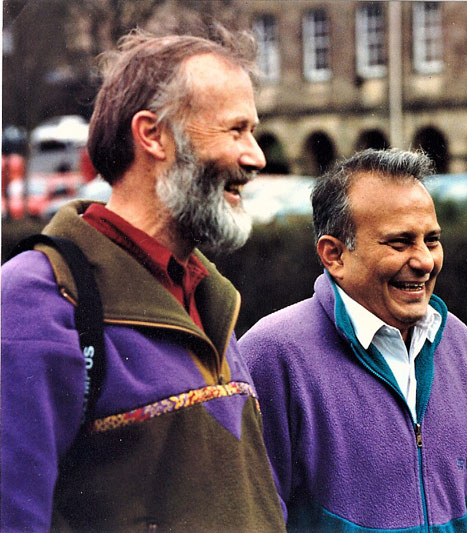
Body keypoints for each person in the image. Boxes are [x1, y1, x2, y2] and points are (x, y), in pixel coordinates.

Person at [1, 29, 286, 531]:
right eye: (235, 130)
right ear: (153, 135)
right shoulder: (34, 301)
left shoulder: (208, 296)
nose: (256, 156)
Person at [240, 148, 467, 531]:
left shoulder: (456, 342)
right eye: (399, 243)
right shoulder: (272, 354)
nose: (425, 261)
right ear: (334, 255)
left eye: (431, 240)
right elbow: (250, 517)